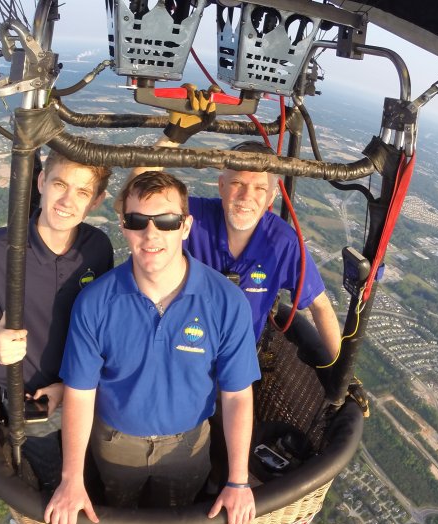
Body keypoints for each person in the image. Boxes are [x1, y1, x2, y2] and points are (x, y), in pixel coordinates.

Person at [44, 171, 261, 524]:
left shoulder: (226, 302)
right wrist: (71, 479)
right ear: (124, 227)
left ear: (186, 226)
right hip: (115, 444)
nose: (151, 234)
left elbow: (238, 395)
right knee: (114, 521)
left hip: (188, 447)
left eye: (166, 221)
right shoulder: (95, 302)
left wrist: (238, 480)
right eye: (137, 221)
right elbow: (80, 394)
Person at [0, 151, 113, 488]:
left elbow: (101, 329)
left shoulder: (98, 248)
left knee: (99, 484)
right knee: (52, 494)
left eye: (82, 192)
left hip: (86, 392)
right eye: (60, 184)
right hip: (33, 407)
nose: (67, 201)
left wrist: (71, 387)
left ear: (96, 201)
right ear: (41, 182)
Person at [136, 89, 342, 359]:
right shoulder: (194, 216)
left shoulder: (282, 242)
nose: (247, 197)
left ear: (271, 196)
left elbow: (320, 306)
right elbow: (139, 197)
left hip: (237, 360)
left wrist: (340, 380)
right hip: (177, 351)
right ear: (221, 186)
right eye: (237, 184)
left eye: (259, 188)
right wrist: (173, 136)